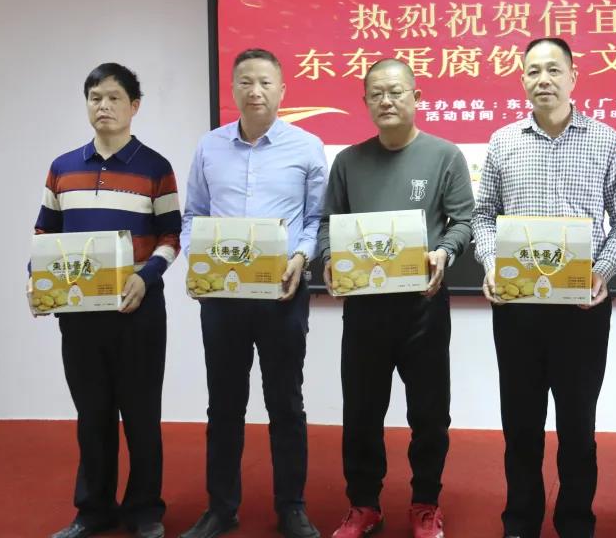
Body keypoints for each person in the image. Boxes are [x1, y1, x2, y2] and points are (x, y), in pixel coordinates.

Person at [471, 37, 616, 538]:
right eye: (533, 71)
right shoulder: (503, 141)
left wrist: (602, 271)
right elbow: (483, 216)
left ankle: (575, 522)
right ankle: (520, 521)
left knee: (577, 428)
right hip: (518, 309)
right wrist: (491, 263)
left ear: (573, 77)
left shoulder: (606, 140)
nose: (542, 79)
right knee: (520, 425)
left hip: (581, 309)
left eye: (553, 70)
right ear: (522, 79)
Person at [317, 59, 474, 538]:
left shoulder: (445, 155)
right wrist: (329, 258)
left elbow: (463, 221)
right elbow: (327, 223)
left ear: (416, 97)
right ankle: (363, 505)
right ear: (365, 101)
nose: (386, 101)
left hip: (423, 306)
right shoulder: (348, 161)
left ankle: (425, 502)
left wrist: (445, 253)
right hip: (365, 309)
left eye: (396, 92)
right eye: (376, 94)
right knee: (361, 413)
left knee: (429, 413)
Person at [179, 48, 327, 538]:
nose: (255, 91)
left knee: (286, 402)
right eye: (245, 81)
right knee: (224, 404)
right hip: (222, 299)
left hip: (283, 293)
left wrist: (301, 256)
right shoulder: (209, 147)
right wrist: (196, 259)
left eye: (265, 82)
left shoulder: (307, 147)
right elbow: (193, 215)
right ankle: (221, 507)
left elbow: (316, 218)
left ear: (282, 90)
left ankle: (292, 507)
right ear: (233, 89)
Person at [31, 63, 181, 538]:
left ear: (134, 106)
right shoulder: (63, 167)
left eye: (114, 97)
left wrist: (146, 277)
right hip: (79, 314)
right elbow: (45, 233)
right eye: (95, 97)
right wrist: (37, 280)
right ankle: (93, 509)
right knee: (92, 415)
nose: (104, 106)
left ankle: (144, 510)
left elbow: (171, 236)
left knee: (141, 416)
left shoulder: (156, 167)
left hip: (138, 311)